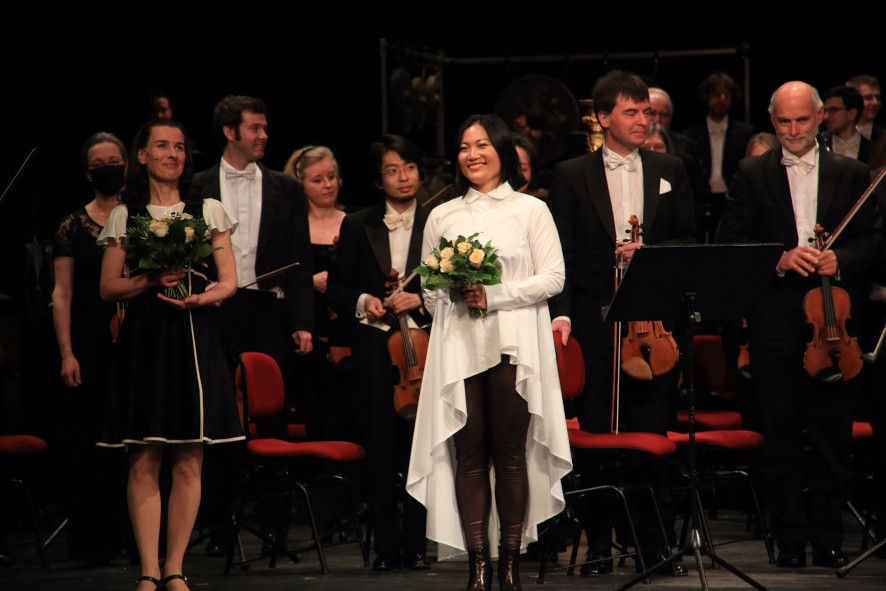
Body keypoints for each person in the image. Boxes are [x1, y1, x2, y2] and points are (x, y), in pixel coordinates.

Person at [719, 81, 882, 569]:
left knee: (832, 435)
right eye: (784, 122)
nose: (793, 131)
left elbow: (877, 241)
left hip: (836, 323)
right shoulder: (750, 172)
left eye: (802, 121)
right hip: (775, 321)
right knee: (782, 434)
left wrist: (843, 261)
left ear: (820, 119)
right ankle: (790, 539)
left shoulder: (852, 173)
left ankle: (829, 536)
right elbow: (731, 241)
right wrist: (780, 258)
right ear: (774, 122)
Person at [406, 114, 572, 591]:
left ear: (501, 150)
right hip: (459, 342)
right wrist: (451, 292)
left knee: (511, 455)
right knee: (469, 455)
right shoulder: (441, 215)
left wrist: (494, 294)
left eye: (481, 144)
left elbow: (554, 277)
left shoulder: (530, 210)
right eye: (463, 146)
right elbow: (431, 291)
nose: (471, 154)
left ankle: (510, 563)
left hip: (513, 341)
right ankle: (478, 563)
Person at [547, 70, 695, 576]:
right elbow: (560, 254)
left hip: (653, 323)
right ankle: (601, 546)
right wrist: (563, 311)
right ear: (602, 118)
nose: (641, 119)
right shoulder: (571, 175)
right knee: (599, 433)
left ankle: (654, 546)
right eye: (630, 112)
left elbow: (689, 242)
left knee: (651, 434)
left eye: (645, 112)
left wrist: (648, 254)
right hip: (595, 318)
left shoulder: (670, 167)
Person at [97, 120, 243, 591]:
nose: (172, 154)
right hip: (146, 338)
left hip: (194, 336)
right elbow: (107, 287)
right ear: (141, 155)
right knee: (144, 457)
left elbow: (228, 280)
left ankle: (176, 567)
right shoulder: (126, 213)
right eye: (161, 145)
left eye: (179, 147)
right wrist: (147, 281)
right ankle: (147, 569)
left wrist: (203, 297)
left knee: (188, 457)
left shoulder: (207, 209)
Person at [191, 95, 314, 555]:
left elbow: (300, 262)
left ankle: (276, 531)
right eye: (255, 129)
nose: (264, 136)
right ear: (230, 132)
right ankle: (219, 528)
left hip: (268, 310)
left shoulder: (286, 186)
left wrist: (302, 321)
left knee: (273, 415)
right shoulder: (198, 184)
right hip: (217, 310)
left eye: (265, 128)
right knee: (220, 414)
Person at [327, 134, 430, 571]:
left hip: (427, 350)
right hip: (376, 350)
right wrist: (364, 301)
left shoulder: (438, 220)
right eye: (392, 170)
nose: (403, 177)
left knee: (423, 448)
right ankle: (388, 548)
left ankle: (418, 544)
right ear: (377, 179)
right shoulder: (358, 223)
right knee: (382, 449)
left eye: (409, 167)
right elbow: (336, 285)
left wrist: (421, 300)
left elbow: (454, 283)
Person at [52, 132, 128, 564]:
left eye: (115, 160)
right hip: (88, 342)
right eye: (100, 162)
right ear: (87, 172)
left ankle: (139, 540)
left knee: (134, 439)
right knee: (90, 440)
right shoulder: (71, 225)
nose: (108, 167)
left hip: (133, 337)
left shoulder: (140, 218)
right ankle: (94, 542)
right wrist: (66, 351)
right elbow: (61, 294)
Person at [285, 145, 350, 439]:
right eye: (318, 179)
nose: (328, 185)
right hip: (308, 329)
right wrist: (309, 281)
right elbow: (280, 276)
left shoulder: (353, 224)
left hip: (346, 332)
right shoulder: (293, 226)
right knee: (314, 409)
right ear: (301, 184)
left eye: (331, 177)